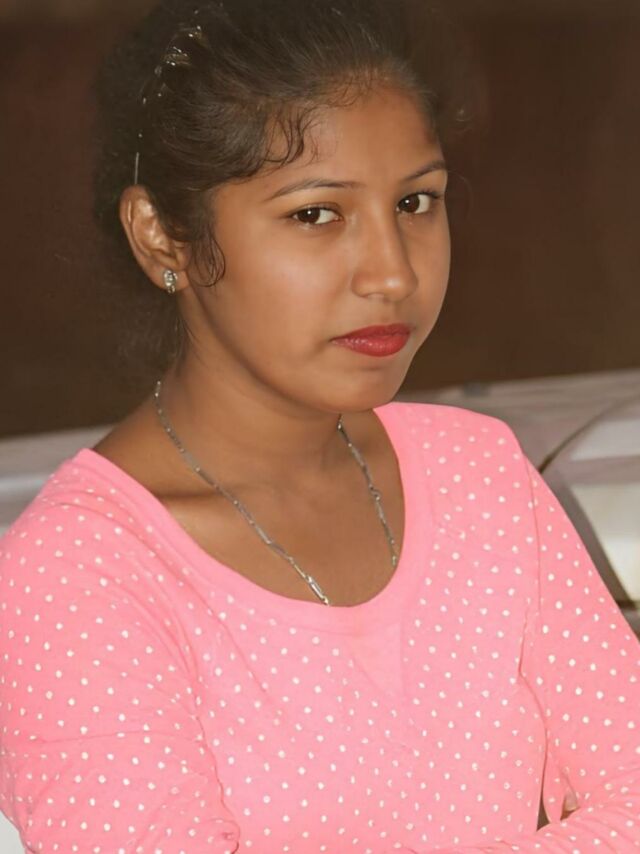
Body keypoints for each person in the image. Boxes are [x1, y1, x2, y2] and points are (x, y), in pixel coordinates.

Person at [0, 0, 638, 850]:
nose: (391, 273)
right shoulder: (79, 576)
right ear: (163, 238)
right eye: (316, 213)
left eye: (416, 201)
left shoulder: (476, 476)